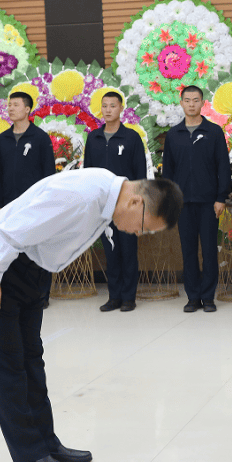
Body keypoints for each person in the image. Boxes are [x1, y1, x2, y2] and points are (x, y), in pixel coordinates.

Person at [0, 169, 183, 462]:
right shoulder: (83, 195)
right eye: (144, 227)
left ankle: (46, 443)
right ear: (136, 202)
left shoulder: (106, 197)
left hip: (28, 268)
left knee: (31, 359)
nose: (138, 233)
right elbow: (13, 229)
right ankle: (28, 454)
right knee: (8, 364)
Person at [161, 85, 231, 313]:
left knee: (209, 251)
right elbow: (168, 172)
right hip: (183, 204)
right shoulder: (173, 135)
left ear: (203, 103)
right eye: (187, 100)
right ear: (181, 103)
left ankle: (208, 297)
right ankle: (193, 297)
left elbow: (223, 167)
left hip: (209, 203)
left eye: (196, 100)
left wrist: (221, 197)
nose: (191, 104)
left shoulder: (214, 132)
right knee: (188, 251)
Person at [83, 90, 149, 313]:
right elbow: (88, 173)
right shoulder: (93, 138)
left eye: (113, 105)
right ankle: (114, 297)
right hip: (104, 206)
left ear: (121, 108)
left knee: (128, 251)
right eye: (105, 106)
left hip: (126, 205)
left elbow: (140, 173)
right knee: (110, 251)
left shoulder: (131, 138)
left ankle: (129, 297)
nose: (108, 110)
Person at [0, 91, 55, 208]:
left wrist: (44, 201)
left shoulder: (40, 137)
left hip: (34, 203)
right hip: (8, 204)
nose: (11, 109)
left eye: (16, 105)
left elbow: (49, 173)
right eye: (9, 105)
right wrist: (0, 202)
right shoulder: (2, 138)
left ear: (27, 109)